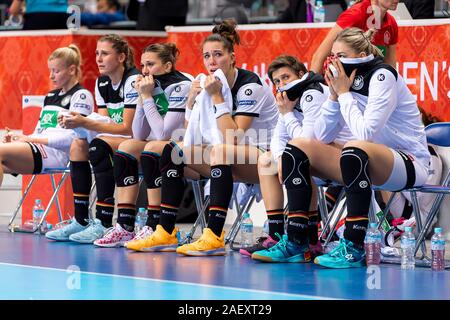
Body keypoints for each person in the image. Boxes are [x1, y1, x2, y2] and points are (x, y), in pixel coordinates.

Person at [271, 27, 430, 268]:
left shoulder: (382, 75)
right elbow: (321, 136)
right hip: (366, 161)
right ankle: (298, 240)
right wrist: (334, 97)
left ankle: (353, 246)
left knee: (355, 147)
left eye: (341, 55)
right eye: (332, 55)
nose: (334, 61)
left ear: (361, 53)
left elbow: (366, 133)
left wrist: (344, 94)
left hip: (410, 163)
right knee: (298, 147)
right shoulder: (344, 83)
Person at [125, 19, 279, 256]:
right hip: (227, 157)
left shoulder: (250, 86)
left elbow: (233, 137)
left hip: (263, 157)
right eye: (207, 56)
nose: (212, 61)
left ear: (232, 57)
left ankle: (215, 235)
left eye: (218, 55)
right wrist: (191, 102)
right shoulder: (206, 84)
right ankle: (164, 230)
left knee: (219, 151)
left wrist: (216, 97)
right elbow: (192, 134)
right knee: (173, 150)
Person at [92, 43, 192, 247]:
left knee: (151, 148)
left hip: (184, 145)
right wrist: (141, 96)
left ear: (167, 66)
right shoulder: (150, 86)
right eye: (143, 65)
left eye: (150, 65)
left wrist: (146, 96)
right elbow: (138, 133)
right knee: (127, 147)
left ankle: (155, 224)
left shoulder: (181, 85)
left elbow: (165, 133)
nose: (144, 70)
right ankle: (125, 225)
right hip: (159, 144)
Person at [45, 34, 139, 243]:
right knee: (78, 146)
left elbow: (127, 129)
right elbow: (106, 126)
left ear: (122, 57)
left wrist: (84, 122)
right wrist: (80, 123)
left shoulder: (132, 80)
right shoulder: (102, 82)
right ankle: (81, 220)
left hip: (140, 138)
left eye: (105, 54)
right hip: (118, 138)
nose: (98, 58)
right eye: (97, 53)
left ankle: (104, 222)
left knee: (97, 146)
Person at [0, 45, 93, 189]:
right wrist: (18, 139)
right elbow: (39, 132)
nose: (51, 76)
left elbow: (75, 139)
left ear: (72, 70)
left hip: (57, 155)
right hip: (38, 149)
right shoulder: (50, 96)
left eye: (56, 71)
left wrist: (30, 139)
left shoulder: (81, 95)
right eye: (51, 71)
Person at [310, 0, 399, 74]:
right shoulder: (355, 15)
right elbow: (319, 57)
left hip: (370, 85)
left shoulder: (392, 23)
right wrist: (312, 90)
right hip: (342, 85)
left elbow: (390, 66)